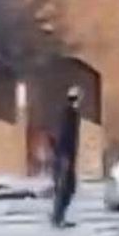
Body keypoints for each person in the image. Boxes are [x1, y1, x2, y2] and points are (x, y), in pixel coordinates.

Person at [51, 85, 82, 228]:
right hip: (65, 155)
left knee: (67, 187)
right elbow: (64, 135)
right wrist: (65, 156)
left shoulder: (70, 113)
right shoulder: (69, 114)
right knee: (65, 187)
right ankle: (58, 217)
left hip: (65, 154)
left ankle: (59, 216)